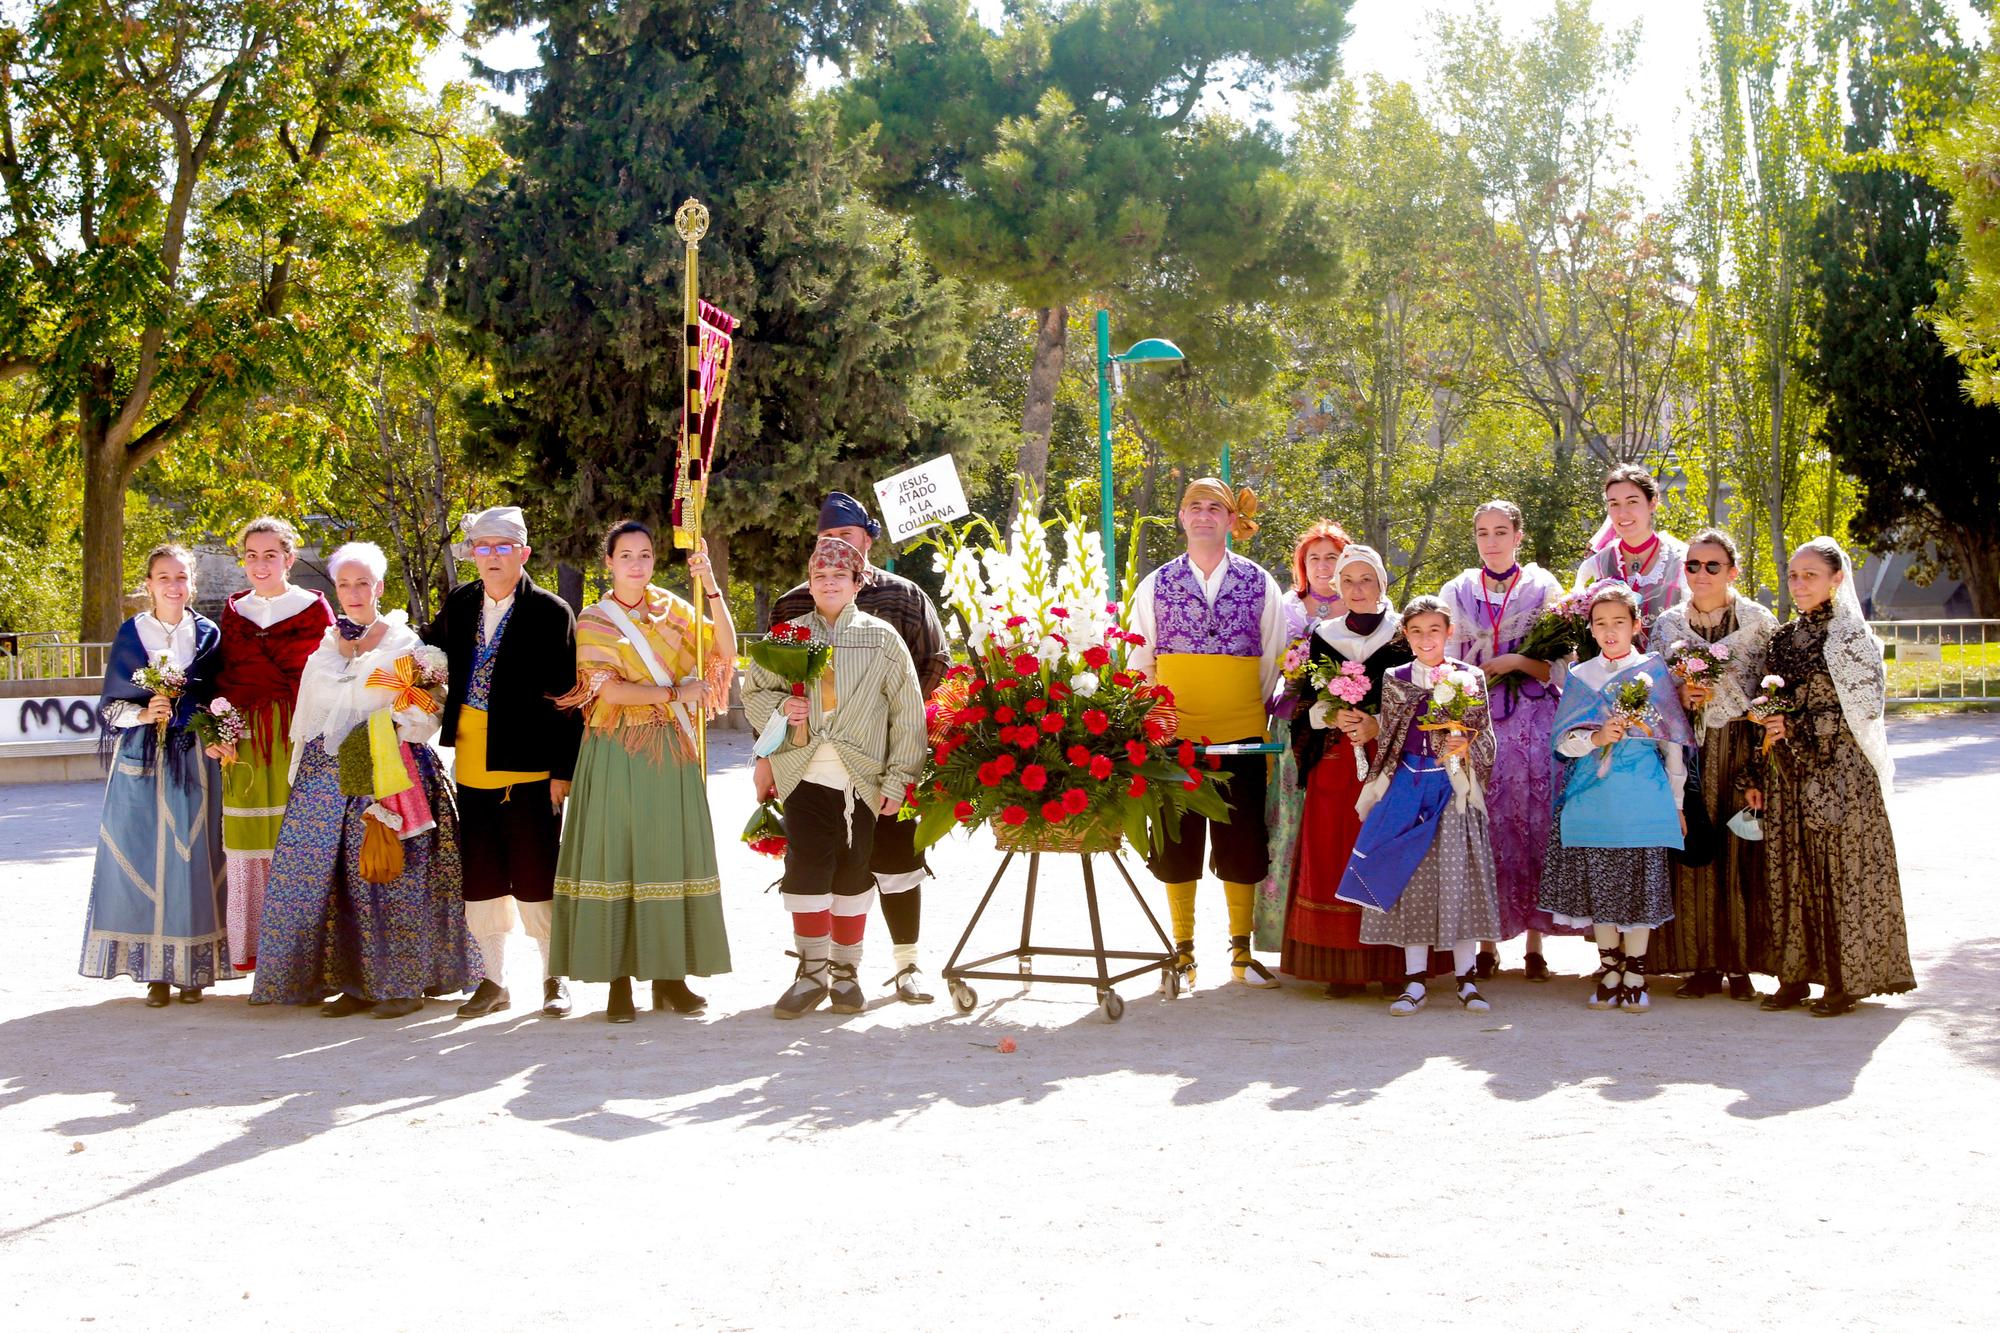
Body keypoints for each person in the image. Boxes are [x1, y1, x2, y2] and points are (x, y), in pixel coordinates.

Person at [250, 543, 482, 1015]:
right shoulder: (325, 645)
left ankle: (399, 986)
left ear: (378, 587)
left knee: (389, 875)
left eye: (362, 583)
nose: (353, 593)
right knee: (334, 879)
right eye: (344, 584)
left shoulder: (402, 644)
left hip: (387, 770)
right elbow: (309, 714)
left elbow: (428, 709)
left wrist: (398, 725)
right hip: (325, 777)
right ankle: (353, 983)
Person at [766, 492, 949, 1004]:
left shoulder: (905, 598)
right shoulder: (793, 607)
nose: (834, 556)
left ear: (867, 542)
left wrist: (888, 740)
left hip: (885, 759)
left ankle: (907, 964)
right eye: (826, 542)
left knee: (896, 861)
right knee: (819, 862)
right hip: (815, 767)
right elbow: (771, 688)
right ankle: (817, 969)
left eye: (845, 540)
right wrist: (769, 754)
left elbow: (932, 665)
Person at [550, 522, 735, 1023]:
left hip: (670, 750)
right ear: (608, 562)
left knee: (667, 855)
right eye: (626, 555)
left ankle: (670, 977)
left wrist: (711, 584)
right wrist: (678, 694)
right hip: (616, 749)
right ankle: (617, 982)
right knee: (619, 856)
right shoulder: (595, 619)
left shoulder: (673, 609)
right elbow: (609, 693)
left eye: (646, 554)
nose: (637, 563)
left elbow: (725, 649)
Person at [1126, 478, 1287, 992]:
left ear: (1231, 520)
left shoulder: (1262, 583)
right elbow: (1141, 657)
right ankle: (1183, 950)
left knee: (1242, 840)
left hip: (1241, 731)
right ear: (1181, 517)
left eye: (1214, 507)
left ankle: (1240, 951)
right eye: (1193, 506)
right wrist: (1158, 721)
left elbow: (1273, 660)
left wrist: (1239, 704)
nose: (1203, 515)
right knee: (1177, 841)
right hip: (1177, 733)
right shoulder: (1156, 584)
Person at [424, 506, 584, 1019]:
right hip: (471, 762)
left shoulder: (551, 612)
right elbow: (427, 650)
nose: (491, 557)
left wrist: (564, 771)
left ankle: (553, 977)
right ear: (472, 553)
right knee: (484, 874)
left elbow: (568, 698)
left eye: (502, 547)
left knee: (536, 874)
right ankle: (493, 981)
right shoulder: (462, 601)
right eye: (482, 546)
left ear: (524, 553)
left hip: (531, 767)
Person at [1745, 537, 1914, 1017]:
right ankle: (1794, 974)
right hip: (1788, 771)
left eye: (1810, 575)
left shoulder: (1852, 639)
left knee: (1839, 872)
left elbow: (1861, 713)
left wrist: (1793, 724)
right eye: (1794, 575)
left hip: (1841, 771)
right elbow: (1767, 704)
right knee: (1790, 871)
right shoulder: (1782, 637)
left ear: (1837, 579)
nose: (1798, 584)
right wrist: (1758, 766)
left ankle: (1846, 979)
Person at [81, 545, 238, 1005]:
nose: (173, 586)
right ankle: (156, 973)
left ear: (192, 582)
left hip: (195, 755)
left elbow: (218, 695)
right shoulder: (132, 633)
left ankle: (193, 971)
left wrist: (213, 727)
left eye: (181, 577)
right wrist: (146, 712)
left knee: (194, 856)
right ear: (148, 584)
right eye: (163, 578)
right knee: (146, 854)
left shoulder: (208, 633)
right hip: (143, 760)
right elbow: (111, 707)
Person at [1339, 596, 1502, 1015]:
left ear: (1449, 633)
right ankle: (1414, 979)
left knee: (1458, 876)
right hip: (1410, 787)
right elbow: (1393, 734)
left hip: (1454, 788)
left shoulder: (1470, 676)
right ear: (1405, 636)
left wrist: (1464, 743)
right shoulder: (1396, 678)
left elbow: (1484, 736)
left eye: (1434, 630)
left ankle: (1466, 977)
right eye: (1416, 631)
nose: (1426, 638)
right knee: (1409, 878)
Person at [1277, 544, 1428, 991]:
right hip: (1335, 764)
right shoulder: (1321, 635)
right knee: (1334, 852)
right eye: (1348, 581)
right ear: (1336, 586)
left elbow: (1425, 697)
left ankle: (1392, 963)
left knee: (1387, 851)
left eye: (1366, 580)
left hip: (1392, 761)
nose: (1357, 589)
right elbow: (1298, 705)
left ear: (1382, 584)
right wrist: (1330, 714)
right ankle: (1339, 964)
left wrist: (1378, 722)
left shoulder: (1405, 635)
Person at [1538, 583, 1693, 1012]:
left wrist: (1677, 803)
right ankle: (1609, 970)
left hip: (1643, 794)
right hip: (1593, 797)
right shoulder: (1580, 676)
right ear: (1590, 628)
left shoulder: (1654, 672)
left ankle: (1637, 974)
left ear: (1636, 626)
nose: (1610, 631)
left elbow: (1673, 746)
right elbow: (1562, 744)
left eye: (1618, 623)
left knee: (1641, 887)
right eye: (1600, 623)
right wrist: (1595, 738)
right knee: (1601, 888)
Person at [1438, 500, 1574, 981]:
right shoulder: (1456, 591)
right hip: (1480, 721)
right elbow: (1443, 661)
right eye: (1482, 533)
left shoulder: (1543, 587)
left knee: (1536, 822)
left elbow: (1558, 667)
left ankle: (1536, 943)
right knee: (1486, 824)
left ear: (1518, 536)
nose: (1491, 541)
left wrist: (1515, 663)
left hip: (1534, 723)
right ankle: (1487, 941)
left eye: (1500, 532)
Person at [1647, 529, 1777, 1001]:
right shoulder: (1666, 624)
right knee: (1691, 846)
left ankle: (1740, 963)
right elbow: (1653, 691)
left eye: (1713, 566)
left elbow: (1772, 689)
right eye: (1693, 566)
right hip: (1686, 751)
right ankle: (1699, 962)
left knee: (1741, 849)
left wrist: (1760, 752)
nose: (1701, 574)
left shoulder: (1759, 622)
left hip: (1741, 747)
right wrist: (1681, 694)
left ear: (1733, 571)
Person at [214, 516, 336, 976]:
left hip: (297, 735)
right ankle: (258, 955)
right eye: (251, 555)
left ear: (289, 558)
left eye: (270, 555)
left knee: (300, 842)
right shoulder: (232, 611)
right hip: (243, 740)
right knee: (249, 843)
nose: (260, 564)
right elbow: (223, 677)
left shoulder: (313, 609)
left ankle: (304, 959)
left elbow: (325, 680)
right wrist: (218, 730)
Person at [1254, 521, 1349, 953]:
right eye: (1315, 557)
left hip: (1343, 732)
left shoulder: (1363, 605)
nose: (1324, 566)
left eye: (1332, 556)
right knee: (1288, 820)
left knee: (1333, 824)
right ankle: (1284, 934)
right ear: (1302, 565)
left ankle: (1332, 929)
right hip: (1292, 724)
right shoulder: (1285, 608)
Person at [1573, 465, 1688, 636]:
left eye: (1632, 502)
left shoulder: (1681, 558)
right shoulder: (1598, 563)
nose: (1622, 513)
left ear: (1652, 503)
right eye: (1614, 504)